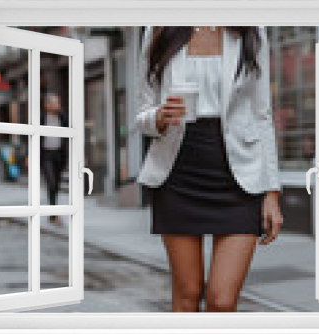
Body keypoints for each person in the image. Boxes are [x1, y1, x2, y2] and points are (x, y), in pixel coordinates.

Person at [135, 26, 283, 312]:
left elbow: (261, 114)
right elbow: (143, 113)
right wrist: (159, 117)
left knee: (222, 301)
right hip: (177, 172)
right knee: (187, 296)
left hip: (240, 174)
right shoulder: (159, 29)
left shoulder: (251, 29)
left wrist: (272, 192)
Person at [40, 92, 68, 225]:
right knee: (51, 183)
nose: (57, 105)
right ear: (47, 105)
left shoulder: (62, 118)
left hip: (59, 155)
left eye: (58, 102)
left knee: (56, 185)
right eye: (54, 102)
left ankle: (53, 212)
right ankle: (54, 214)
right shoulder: (40, 119)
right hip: (46, 155)